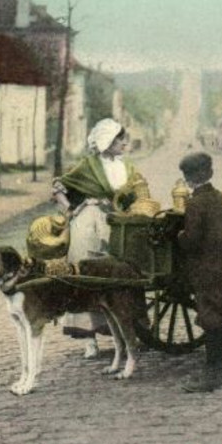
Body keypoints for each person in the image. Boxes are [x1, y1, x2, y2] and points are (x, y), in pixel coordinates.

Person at [54, 117, 149, 357]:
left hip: (118, 225)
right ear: (107, 141)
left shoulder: (126, 166)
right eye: (120, 140)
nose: (124, 144)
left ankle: (132, 331)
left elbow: (139, 191)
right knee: (88, 277)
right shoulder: (88, 166)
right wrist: (70, 210)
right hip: (89, 225)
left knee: (121, 275)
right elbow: (58, 188)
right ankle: (89, 340)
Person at [175, 151, 222, 393]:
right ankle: (216, 367)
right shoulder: (219, 197)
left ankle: (215, 372)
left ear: (189, 178)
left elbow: (192, 241)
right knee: (217, 314)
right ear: (209, 173)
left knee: (211, 317)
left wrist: (179, 237)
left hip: (205, 268)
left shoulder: (195, 203)